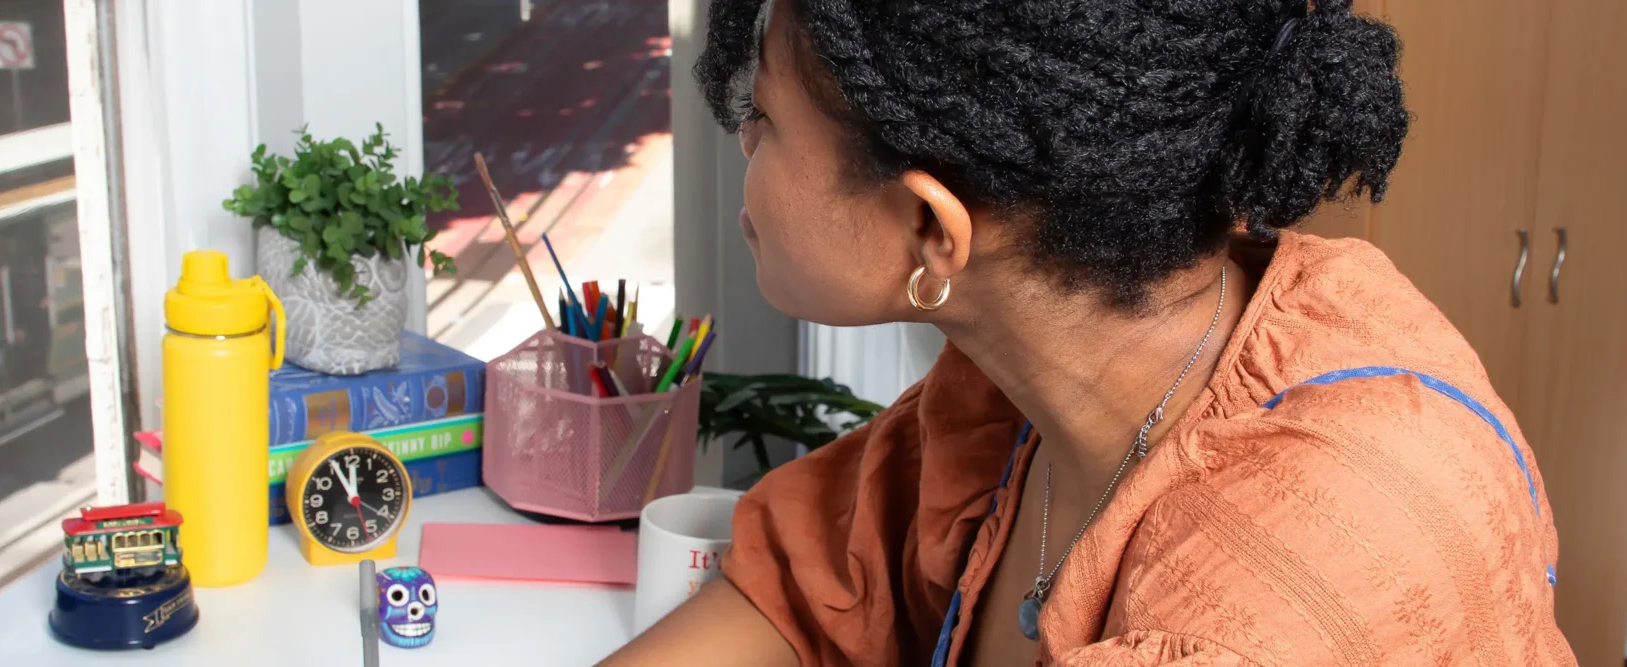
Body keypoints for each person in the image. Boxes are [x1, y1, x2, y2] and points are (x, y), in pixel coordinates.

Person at [606, 2, 1573, 666]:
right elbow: (811, 580)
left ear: (932, 230)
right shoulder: (1048, 370)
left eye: (766, 119)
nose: (745, 140)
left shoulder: (1272, 609)